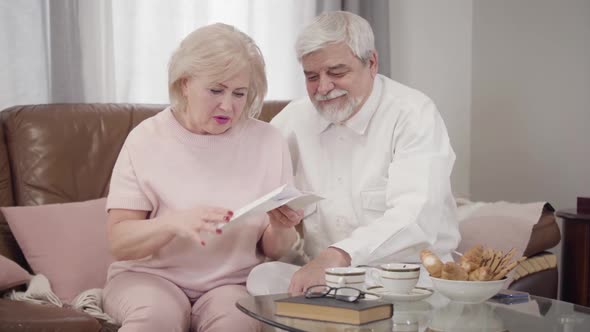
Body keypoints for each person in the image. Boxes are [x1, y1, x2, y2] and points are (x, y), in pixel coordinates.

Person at [103, 23, 302, 332]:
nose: (228, 106)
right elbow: (120, 242)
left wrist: (281, 226)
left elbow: (276, 249)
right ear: (184, 84)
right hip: (150, 278)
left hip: (230, 284)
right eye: (215, 90)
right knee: (156, 317)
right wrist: (172, 223)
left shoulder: (268, 141)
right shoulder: (145, 139)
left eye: (240, 93)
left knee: (238, 320)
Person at [247, 11, 460, 295]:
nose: (323, 88)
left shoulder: (413, 114)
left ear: (371, 63)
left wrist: (337, 256)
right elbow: (250, 179)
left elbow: (415, 217)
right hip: (325, 277)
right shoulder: (293, 120)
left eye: (337, 72)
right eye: (311, 76)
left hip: (404, 278)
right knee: (262, 277)